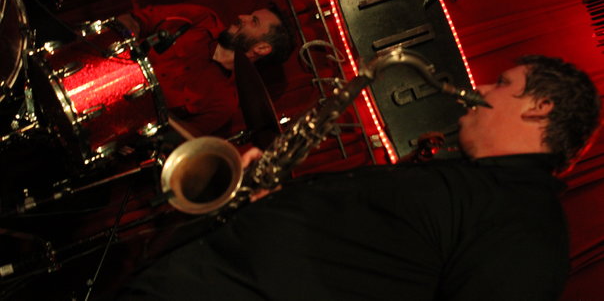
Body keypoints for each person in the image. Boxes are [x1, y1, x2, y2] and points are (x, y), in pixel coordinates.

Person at [117, 55, 601, 300]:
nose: (481, 88)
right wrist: (274, 199)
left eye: (503, 83)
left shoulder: (528, 229)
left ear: (540, 107)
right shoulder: (473, 182)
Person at [117, 3, 294, 137]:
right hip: (111, 70)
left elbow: (175, 141)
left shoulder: (223, 103)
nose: (242, 16)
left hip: (121, 125)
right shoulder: (203, 19)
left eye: (254, 22)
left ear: (262, 48)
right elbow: (135, 20)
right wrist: (124, 38)